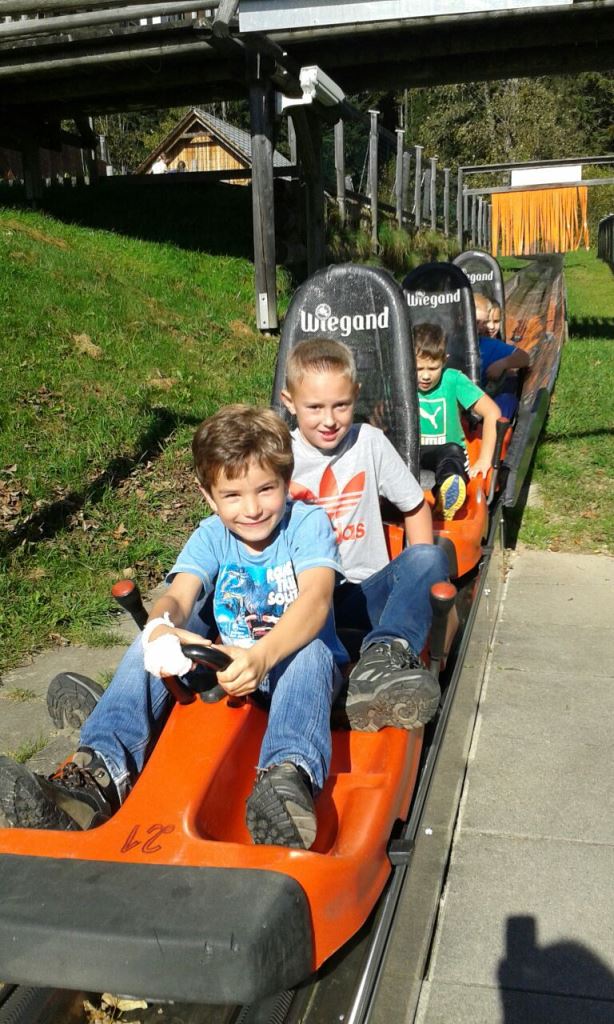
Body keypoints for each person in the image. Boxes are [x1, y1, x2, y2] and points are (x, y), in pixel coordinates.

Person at [0, 406, 348, 850]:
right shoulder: (211, 535)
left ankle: (286, 780)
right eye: (233, 495)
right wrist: (162, 628)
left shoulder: (307, 524)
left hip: (292, 668)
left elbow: (316, 600)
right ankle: (97, 775)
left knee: (312, 652)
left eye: (266, 489)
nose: (253, 508)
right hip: (229, 667)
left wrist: (262, 656)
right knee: (148, 643)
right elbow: (179, 597)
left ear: (286, 481)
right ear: (209, 497)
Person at [280, 338, 450, 733]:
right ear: (289, 402)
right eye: (314, 407)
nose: (329, 420)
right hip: (304, 597)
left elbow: (414, 506)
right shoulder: (278, 455)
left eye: (340, 405)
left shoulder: (369, 442)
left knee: (430, 557)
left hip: (363, 593)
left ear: (356, 395)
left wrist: (420, 588)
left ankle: (381, 660)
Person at [413, 322, 501, 520]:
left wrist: (485, 460)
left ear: (444, 360)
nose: (425, 375)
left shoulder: (453, 380)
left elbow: (492, 412)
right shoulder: (402, 382)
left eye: (433, 368)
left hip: (446, 451)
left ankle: (446, 497)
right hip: (413, 452)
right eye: (418, 368)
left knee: (452, 456)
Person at [473, 293, 530, 420]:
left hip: (484, 401)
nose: (490, 327)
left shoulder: (490, 345)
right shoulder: (451, 342)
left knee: (507, 399)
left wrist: (502, 364)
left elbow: (524, 357)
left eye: (495, 321)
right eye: (485, 322)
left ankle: (498, 427)